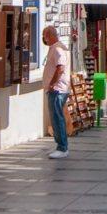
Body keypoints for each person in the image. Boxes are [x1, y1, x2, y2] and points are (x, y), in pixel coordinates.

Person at [43, 26, 71, 159]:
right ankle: (61, 146)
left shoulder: (57, 49)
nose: (44, 39)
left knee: (56, 118)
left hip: (57, 90)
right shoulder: (57, 48)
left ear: (50, 35)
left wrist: (52, 83)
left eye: (45, 36)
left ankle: (62, 147)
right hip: (59, 89)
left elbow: (60, 68)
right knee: (56, 117)